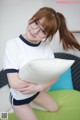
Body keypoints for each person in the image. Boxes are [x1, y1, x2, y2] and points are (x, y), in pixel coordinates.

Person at [3, 7, 80, 120]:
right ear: (31, 19)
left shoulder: (46, 49)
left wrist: (39, 87)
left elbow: (55, 77)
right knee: (7, 116)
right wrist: (36, 85)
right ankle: (6, 113)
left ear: (47, 36)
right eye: (36, 23)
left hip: (36, 92)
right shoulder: (13, 45)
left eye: (43, 31)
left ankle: (33, 102)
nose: (35, 31)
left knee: (55, 108)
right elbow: (14, 83)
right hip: (20, 98)